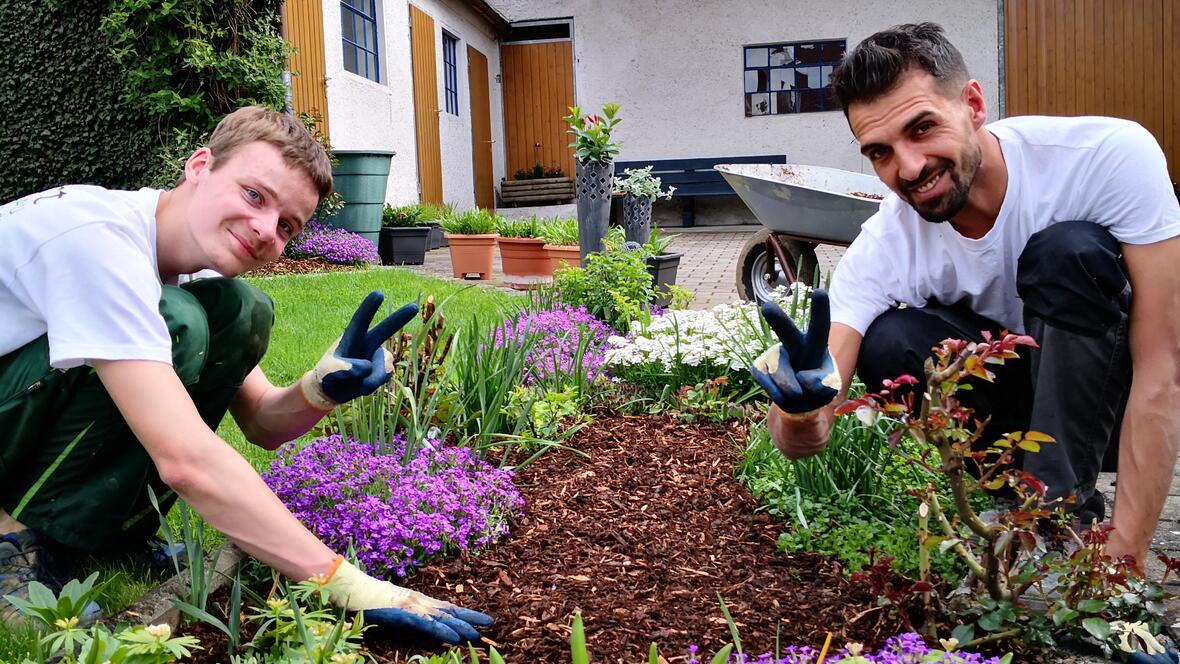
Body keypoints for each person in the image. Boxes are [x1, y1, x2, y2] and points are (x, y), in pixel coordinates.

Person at [0, 106, 492, 643]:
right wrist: (343, 582)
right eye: (254, 195)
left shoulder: (193, 265)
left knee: (239, 309)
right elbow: (186, 461)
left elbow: (260, 420)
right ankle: (10, 539)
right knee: (180, 322)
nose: (264, 231)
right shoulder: (97, 242)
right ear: (199, 165)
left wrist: (319, 388)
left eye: (287, 226)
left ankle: (112, 532)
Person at [752, 23, 1180, 575]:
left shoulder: (1103, 158)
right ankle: (1028, 502)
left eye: (923, 128)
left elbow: (1163, 366)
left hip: (1111, 402)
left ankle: (1052, 510)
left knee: (1066, 252)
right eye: (880, 152)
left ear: (973, 104)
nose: (908, 168)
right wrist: (801, 413)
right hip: (1018, 423)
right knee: (891, 341)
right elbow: (807, 425)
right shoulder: (888, 243)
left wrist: (1124, 562)